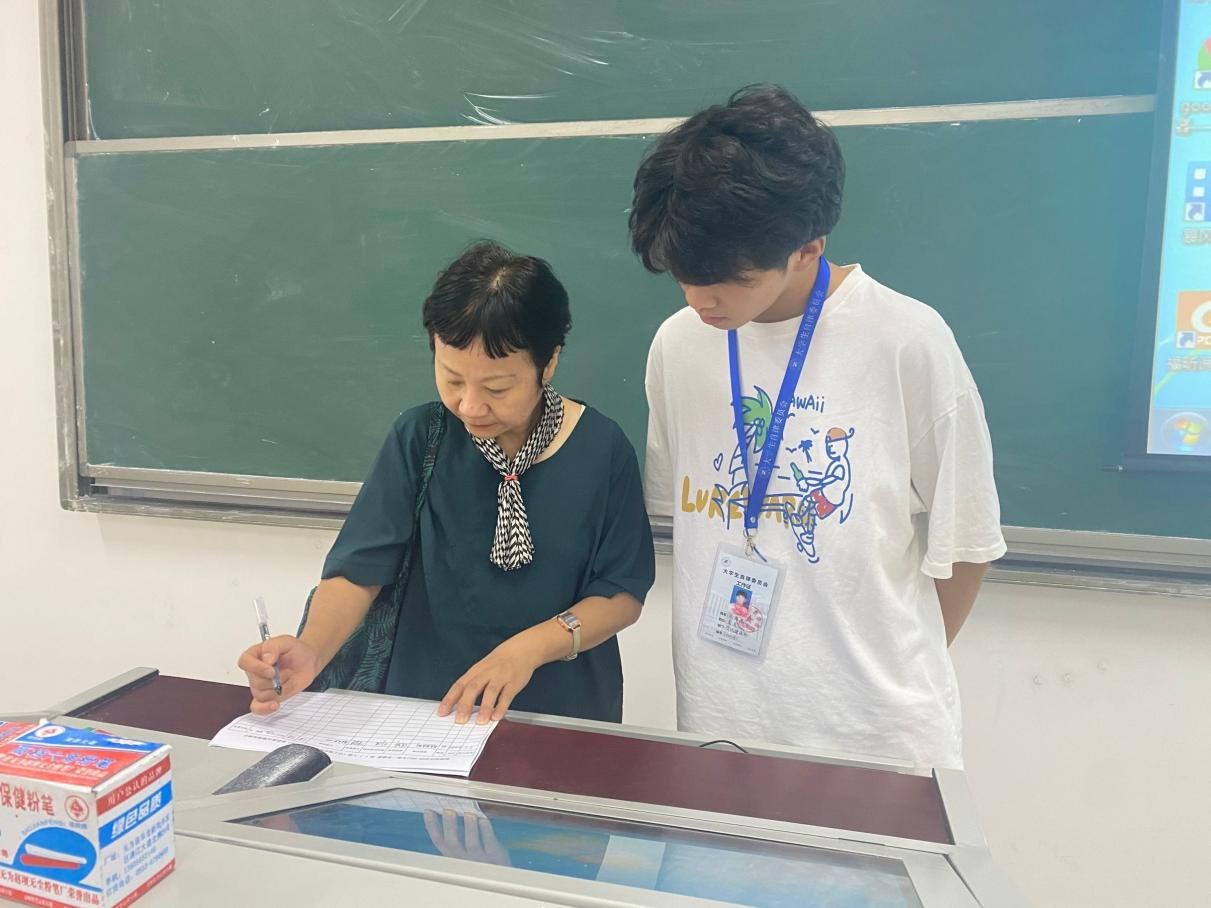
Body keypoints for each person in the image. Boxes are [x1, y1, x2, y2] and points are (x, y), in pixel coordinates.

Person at [632, 85, 1006, 768]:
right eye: (683, 275)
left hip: (875, 738)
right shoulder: (677, 345)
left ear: (806, 248)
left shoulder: (906, 340)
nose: (699, 298)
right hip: (721, 724)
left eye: (728, 279)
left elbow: (968, 546)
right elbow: (684, 516)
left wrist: (878, 681)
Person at [239, 241, 655, 725]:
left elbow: (622, 593)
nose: (470, 406)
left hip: (559, 716)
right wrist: (311, 649)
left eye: (497, 387)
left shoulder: (601, 448)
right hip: (424, 714)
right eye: (452, 379)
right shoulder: (421, 438)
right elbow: (359, 570)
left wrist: (526, 650)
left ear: (549, 363)